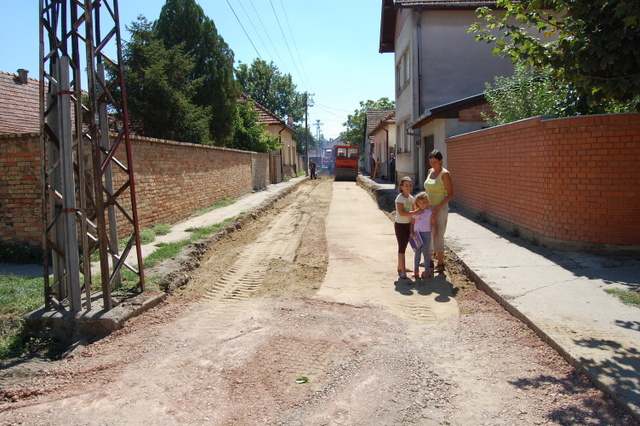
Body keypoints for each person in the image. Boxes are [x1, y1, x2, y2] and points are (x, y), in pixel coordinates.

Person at [423, 149, 454, 274]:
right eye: (431, 162)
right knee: (427, 233)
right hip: (428, 208)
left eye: (435, 162)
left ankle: (440, 263)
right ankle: (429, 260)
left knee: (438, 234)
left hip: (440, 208)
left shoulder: (445, 174)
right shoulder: (430, 171)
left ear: (441, 161)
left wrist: (438, 207)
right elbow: (428, 189)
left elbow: (450, 194)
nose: (432, 164)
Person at [394, 176, 421, 280]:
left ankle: (400, 266)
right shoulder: (399, 198)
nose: (408, 187)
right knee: (402, 247)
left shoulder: (411, 198)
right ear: (401, 187)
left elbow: (414, 210)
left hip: (409, 225)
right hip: (400, 225)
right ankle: (403, 271)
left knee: (408, 246)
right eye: (406, 185)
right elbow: (401, 213)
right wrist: (415, 212)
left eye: (410, 185)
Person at [410, 192, 438, 280]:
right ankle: (416, 271)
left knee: (426, 253)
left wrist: (436, 231)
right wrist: (411, 232)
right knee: (417, 253)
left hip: (426, 234)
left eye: (424, 203)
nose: (422, 204)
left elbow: (433, 223)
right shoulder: (415, 213)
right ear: (417, 203)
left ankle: (426, 271)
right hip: (416, 235)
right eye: (420, 203)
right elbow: (412, 223)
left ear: (427, 203)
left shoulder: (429, 213)